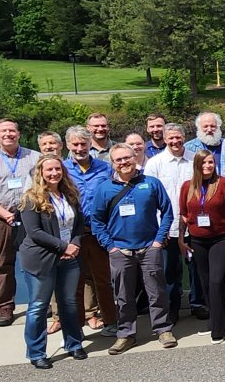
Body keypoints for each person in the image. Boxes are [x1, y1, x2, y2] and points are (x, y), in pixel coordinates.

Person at [91, 143, 177, 354]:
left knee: (156, 291)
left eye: (127, 158)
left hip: (149, 247)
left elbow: (167, 212)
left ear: (135, 158)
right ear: (112, 163)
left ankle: (163, 329)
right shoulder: (104, 189)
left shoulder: (151, 183)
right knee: (123, 295)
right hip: (120, 250)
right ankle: (126, 334)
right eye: (119, 159)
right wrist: (110, 247)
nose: (124, 162)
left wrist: (158, 240)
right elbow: (97, 221)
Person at [18, 156, 87, 369]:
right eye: (49, 170)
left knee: (68, 302)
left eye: (58, 169)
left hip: (69, 257)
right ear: (41, 173)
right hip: (41, 259)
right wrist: (63, 246)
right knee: (38, 306)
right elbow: (34, 232)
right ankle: (36, 352)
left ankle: (73, 343)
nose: (54, 173)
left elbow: (78, 225)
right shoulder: (31, 198)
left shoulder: (70, 194)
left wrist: (73, 244)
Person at [0, 118, 41, 326]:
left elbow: (44, 187)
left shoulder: (35, 157)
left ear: (19, 134)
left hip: (32, 217)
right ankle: (5, 307)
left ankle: (41, 302)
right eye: (3, 131)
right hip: (2, 219)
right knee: (4, 263)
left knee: (37, 261)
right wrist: (6, 214)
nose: (8, 134)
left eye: (12, 131)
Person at [143, 123, 206, 323]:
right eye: (170, 138)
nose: (175, 141)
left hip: (194, 225)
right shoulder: (155, 163)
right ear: (164, 138)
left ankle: (198, 303)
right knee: (170, 270)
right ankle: (173, 308)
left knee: (196, 267)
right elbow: (149, 197)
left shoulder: (194, 160)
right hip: (167, 227)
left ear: (184, 137)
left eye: (178, 137)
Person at [178, 150, 225, 344]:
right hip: (197, 240)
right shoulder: (188, 187)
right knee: (205, 283)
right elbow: (184, 214)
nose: (208, 166)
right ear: (196, 164)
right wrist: (181, 238)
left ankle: (218, 330)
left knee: (216, 281)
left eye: (211, 162)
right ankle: (218, 319)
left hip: (220, 239)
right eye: (203, 163)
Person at [62, 126, 118, 335]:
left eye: (83, 144)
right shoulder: (62, 169)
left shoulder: (104, 168)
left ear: (90, 144)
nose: (79, 148)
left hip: (99, 232)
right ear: (68, 146)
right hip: (73, 233)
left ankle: (111, 321)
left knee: (102, 279)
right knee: (74, 282)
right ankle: (75, 327)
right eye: (75, 144)